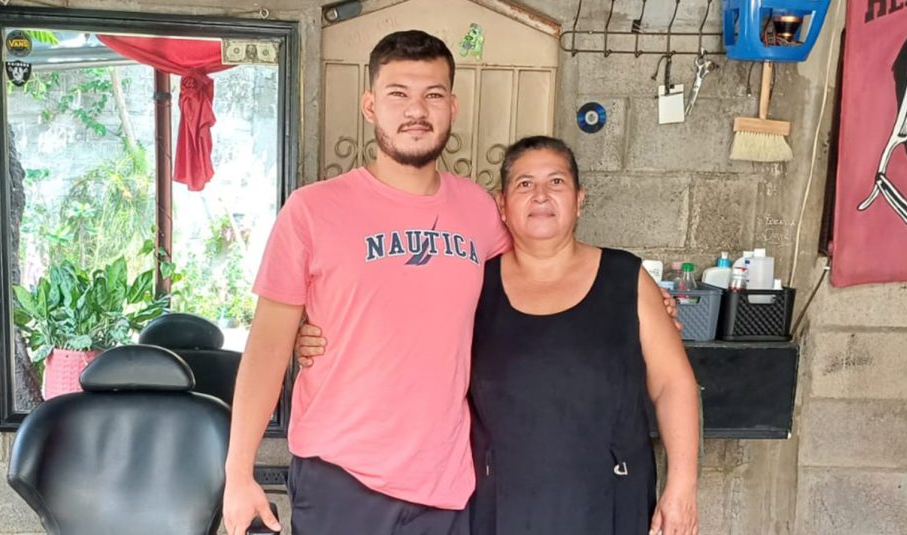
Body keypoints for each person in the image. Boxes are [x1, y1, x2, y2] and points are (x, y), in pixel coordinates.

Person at [298, 136, 701, 534]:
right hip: (501, 502)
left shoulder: (625, 278)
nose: (541, 195)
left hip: (611, 497)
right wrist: (320, 337)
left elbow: (673, 384)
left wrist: (681, 488)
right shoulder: (473, 282)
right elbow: (400, 332)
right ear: (501, 204)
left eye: (556, 182)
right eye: (524, 184)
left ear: (580, 198)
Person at [222, 30, 509, 535]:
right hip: (341, 478)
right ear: (371, 105)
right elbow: (266, 347)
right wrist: (237, 472)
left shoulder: (479, 211)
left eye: (433, 95)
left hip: (444, 481)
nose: (416, 110)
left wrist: (634, 298)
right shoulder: (312, 210)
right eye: (398, 93)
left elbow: (536, 284)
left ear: (453, 107)